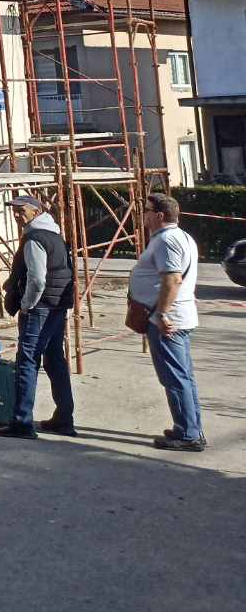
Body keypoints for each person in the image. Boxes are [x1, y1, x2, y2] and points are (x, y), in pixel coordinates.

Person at [0, 194, 76, 440]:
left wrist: (27, 305)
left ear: (36, 212)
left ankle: (22, 422)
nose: (17, 216)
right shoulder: (55, 235)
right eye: (14, 211)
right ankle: (64, 419)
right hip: (57, 305)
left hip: (40, 307)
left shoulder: (34, 238)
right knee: (54, 359)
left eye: (22, 211)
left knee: (27, 361)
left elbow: (38, 278)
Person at [129, 192, 204, 451]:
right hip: (176, 316)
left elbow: (172, 279)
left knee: (174, 378)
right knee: (183, 377)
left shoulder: (167, 240)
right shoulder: (179, 237)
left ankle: (188, 435)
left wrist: (162, 314)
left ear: (159, 215)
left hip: (167, 321)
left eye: (147, 210)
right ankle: (191, 428)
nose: (144, 215)